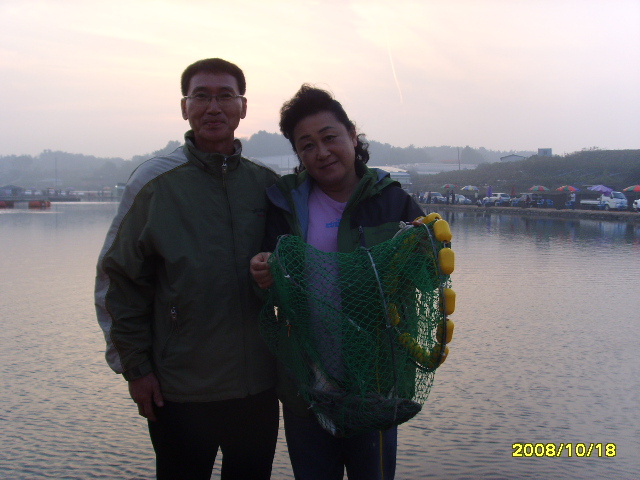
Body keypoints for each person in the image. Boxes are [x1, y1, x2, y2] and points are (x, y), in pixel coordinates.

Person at [94, 58, 280, 480]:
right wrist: (136, 370)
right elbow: (118, 282)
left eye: (225, 96)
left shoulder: (266, 185)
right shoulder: (154, 184)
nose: (213, 107)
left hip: (256, 388)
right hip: (179, 389)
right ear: (184, 107)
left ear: (243, 107)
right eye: (201, 96)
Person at [250, 85, 425, 480]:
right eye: (307, 145)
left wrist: (427, 255)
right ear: (298, 154)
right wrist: (261, 269)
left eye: (329, 138)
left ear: (352, 135)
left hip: (376, 385)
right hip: (306, 386)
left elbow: (427, 276)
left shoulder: (394, 201)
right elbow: (269, 272)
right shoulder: (283, 202)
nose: (322, 152)